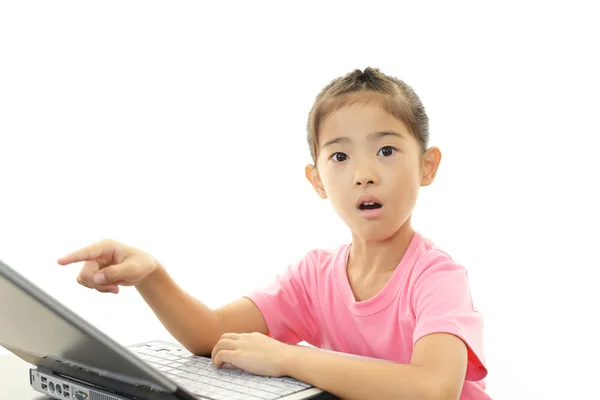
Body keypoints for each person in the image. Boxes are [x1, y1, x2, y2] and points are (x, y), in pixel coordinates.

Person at [58, 67, 490, 400]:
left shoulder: (437, 278)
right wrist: (151, 275)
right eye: (340, 155)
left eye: (386, 150)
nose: (363, 174)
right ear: (317, 180)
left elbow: (432, 389)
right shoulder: (314, 275)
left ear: (426, 166)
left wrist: (287, 357)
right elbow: (211, 336)